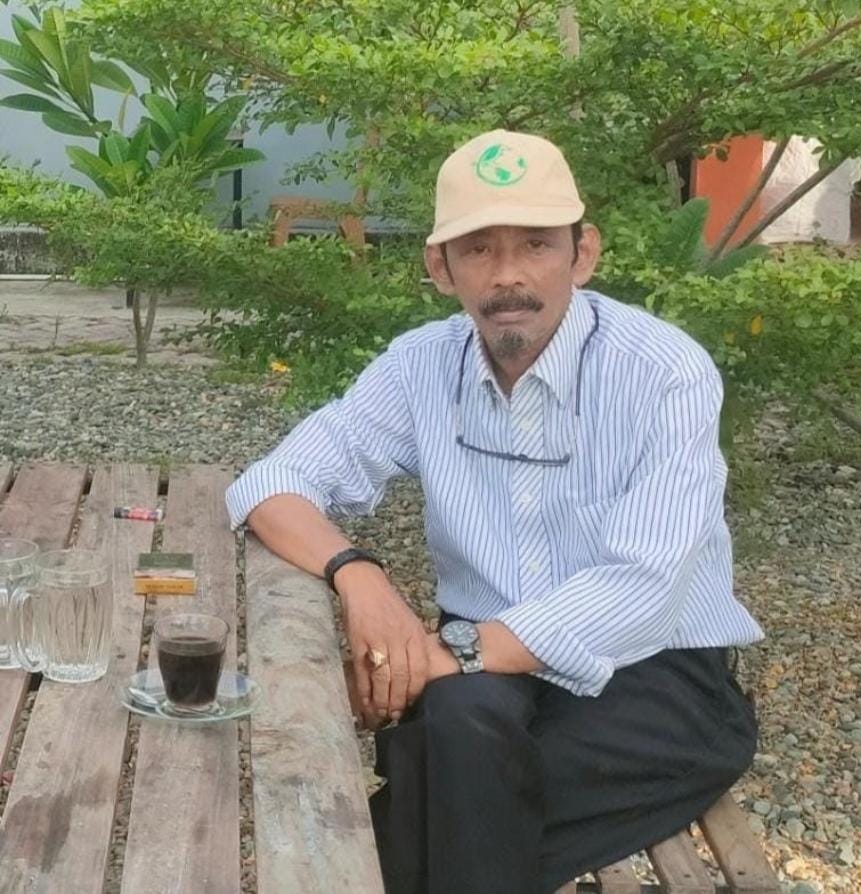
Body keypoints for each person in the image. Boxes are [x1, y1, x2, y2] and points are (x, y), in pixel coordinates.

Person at [226, 129, 764, 894]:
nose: (508, 275)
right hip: (481, 681)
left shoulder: (663, 371)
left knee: (442, 777)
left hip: (653, 675)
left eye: (536, 245)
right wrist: (358, 576)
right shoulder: (420, 365)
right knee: (460, 730)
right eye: (478, 249)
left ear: (582, 254)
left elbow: (644, 585)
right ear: (439, 267)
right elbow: (269, 484)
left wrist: (443, 654)